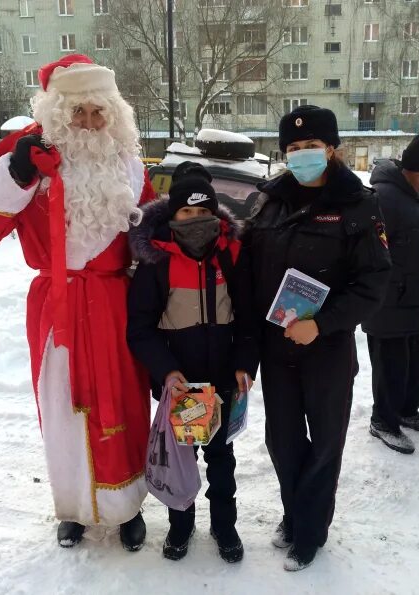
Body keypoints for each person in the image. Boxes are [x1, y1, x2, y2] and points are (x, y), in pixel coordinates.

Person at [0, 54, 155, 550]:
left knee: (124, 402)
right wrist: (18, 171)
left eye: (98, 113)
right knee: (62, 402)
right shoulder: (25, 155)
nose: (89, 124)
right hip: (57, 304)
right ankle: (72, 507)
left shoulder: (128, 166)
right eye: (78, 113)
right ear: (57, 114)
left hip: (115, 302)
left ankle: (126, 506)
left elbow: (153, 235)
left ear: (113, 116)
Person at [242, 105, 391, 570]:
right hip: (275, 346)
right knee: (282, 441)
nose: (302, 154)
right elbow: (247, 277)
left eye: (311, 147)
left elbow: (373, 285)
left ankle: (310, 532)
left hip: (326, 348)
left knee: (325, 442)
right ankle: (295, 512)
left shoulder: (360, 206)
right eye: (293, 148)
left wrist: (322, 324)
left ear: (332, 149)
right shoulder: (268, 202)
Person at [127, 161, 258, 562]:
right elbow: (140, 329)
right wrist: (166, 371)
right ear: (172, 216)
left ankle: (225, 526)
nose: (196, 220)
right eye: (187, 212)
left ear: (215, 214)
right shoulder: (158, 264)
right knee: (180, 461)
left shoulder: (231, 256)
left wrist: (245, 364)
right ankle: (180, 526)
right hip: (183, 387)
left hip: (221, 384)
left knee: (222, 463)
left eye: (204, 213)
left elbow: (250, 316)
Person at [362, 132, 419, 454]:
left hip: (415, 298)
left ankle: (406, 410)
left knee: (415, 364)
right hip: (390, 303)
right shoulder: (384, 197)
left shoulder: (418, 195)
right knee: (391, 367)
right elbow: (372, 253)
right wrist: (395, 283)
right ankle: (383, 419)